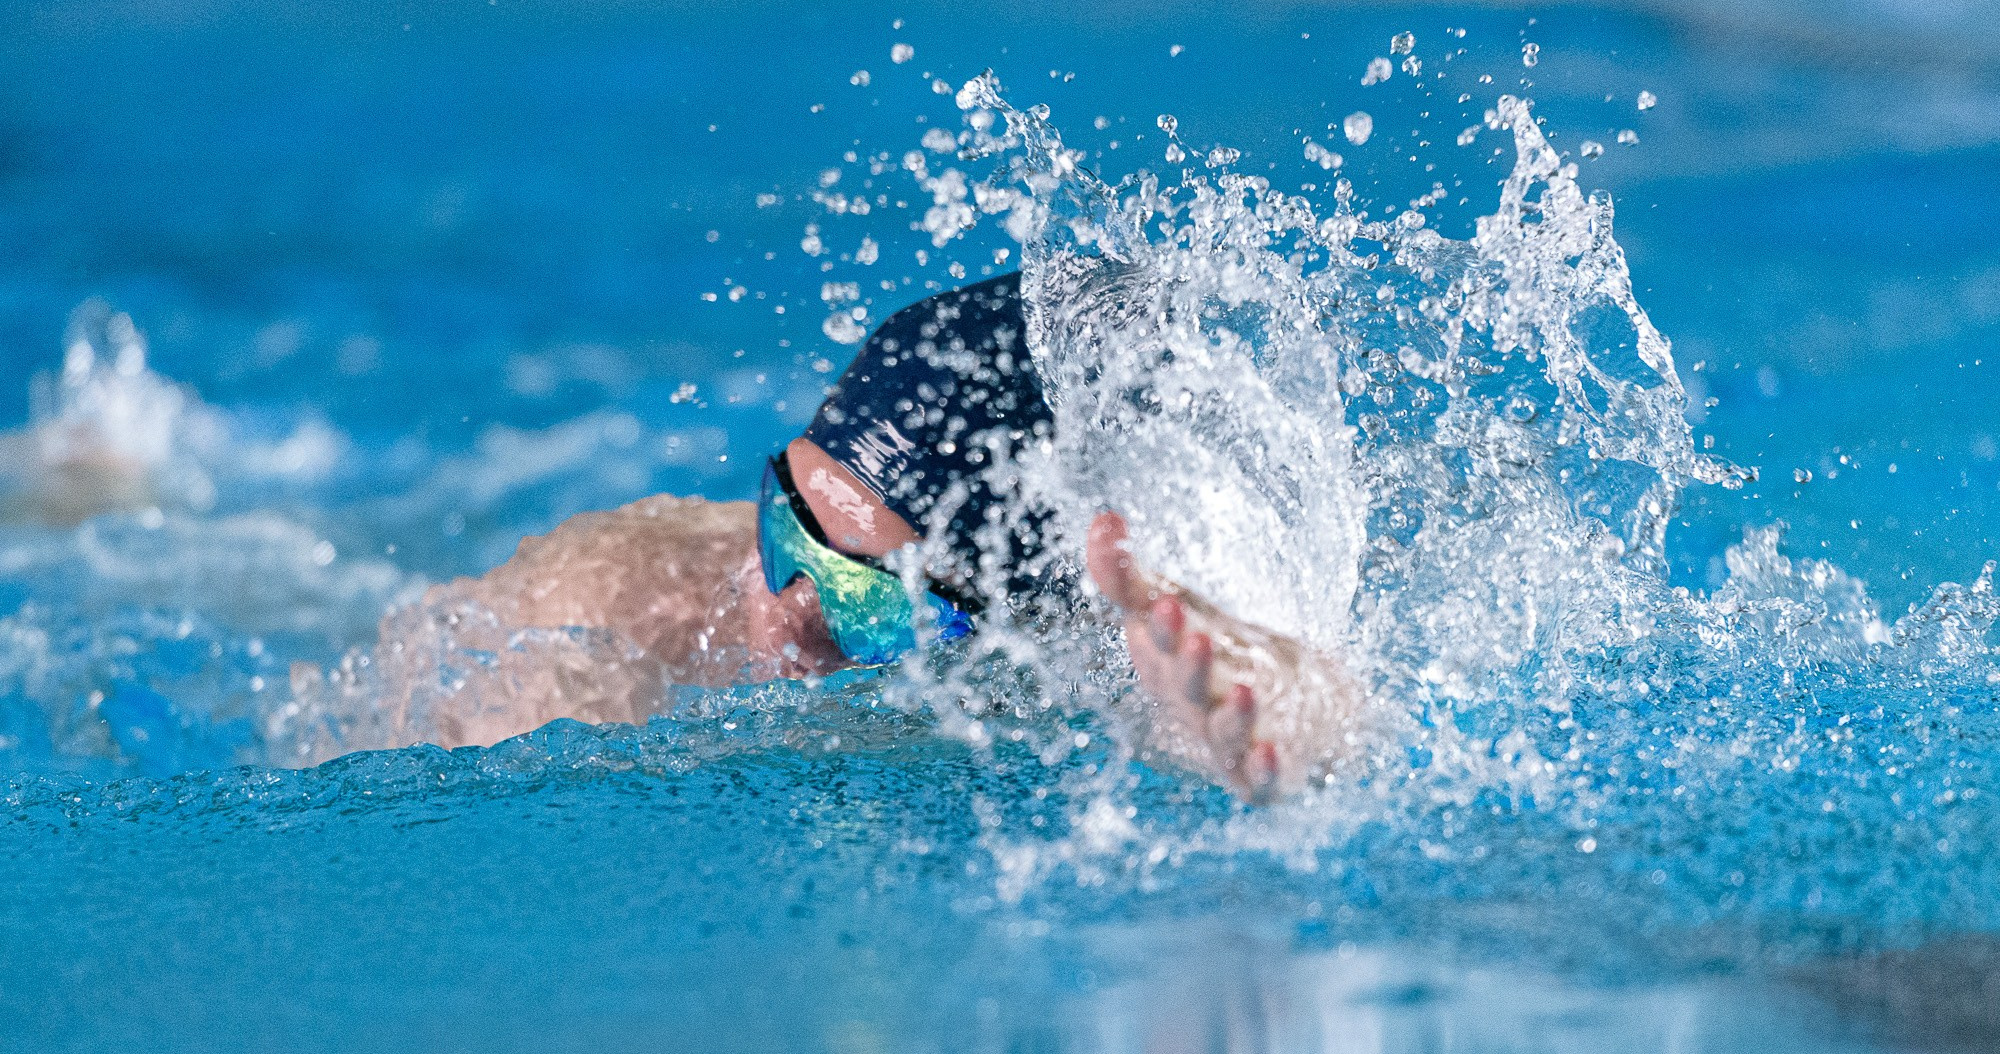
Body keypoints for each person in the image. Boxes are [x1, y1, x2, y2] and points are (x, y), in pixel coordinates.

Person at [351, 273, 1356, 799]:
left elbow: (1319, 709)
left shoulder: (1102, 641)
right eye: (785, 526)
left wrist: (1240, 727)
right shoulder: (609, 612)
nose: (784, 616)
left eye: (869, 602)